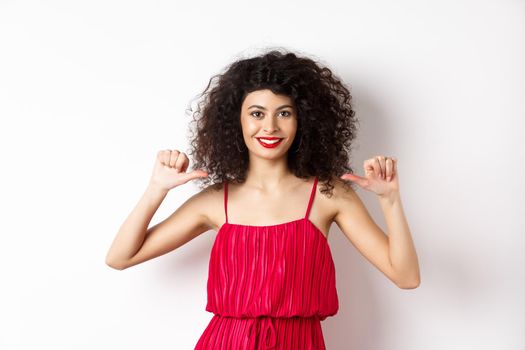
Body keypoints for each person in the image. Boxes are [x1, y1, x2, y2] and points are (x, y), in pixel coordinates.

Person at [105, 48, 420, 349]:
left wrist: (390, 201)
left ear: (303, 121)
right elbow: (120, 257)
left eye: (284, 113)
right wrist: (156, 190)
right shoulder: (215, 201)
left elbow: (406, 277)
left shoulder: (329, 194)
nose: (270, 126)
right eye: (257, 113)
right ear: (236, 120)